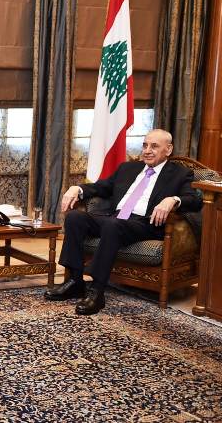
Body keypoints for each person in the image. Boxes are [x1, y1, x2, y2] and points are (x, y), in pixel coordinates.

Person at [45, 129, 202, 315]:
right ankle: (74, 281)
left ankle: (97, 291)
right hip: (116, 218)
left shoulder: (180, 174)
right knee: (75, 218)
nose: (147, 150)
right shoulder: (128, 168)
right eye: (145, 145)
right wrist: (77, 189)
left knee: (113, 224)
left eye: (154, 146)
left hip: (145, 223)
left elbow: (194, 200)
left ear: (168, 150)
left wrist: (173, 199)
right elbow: (101, 187)